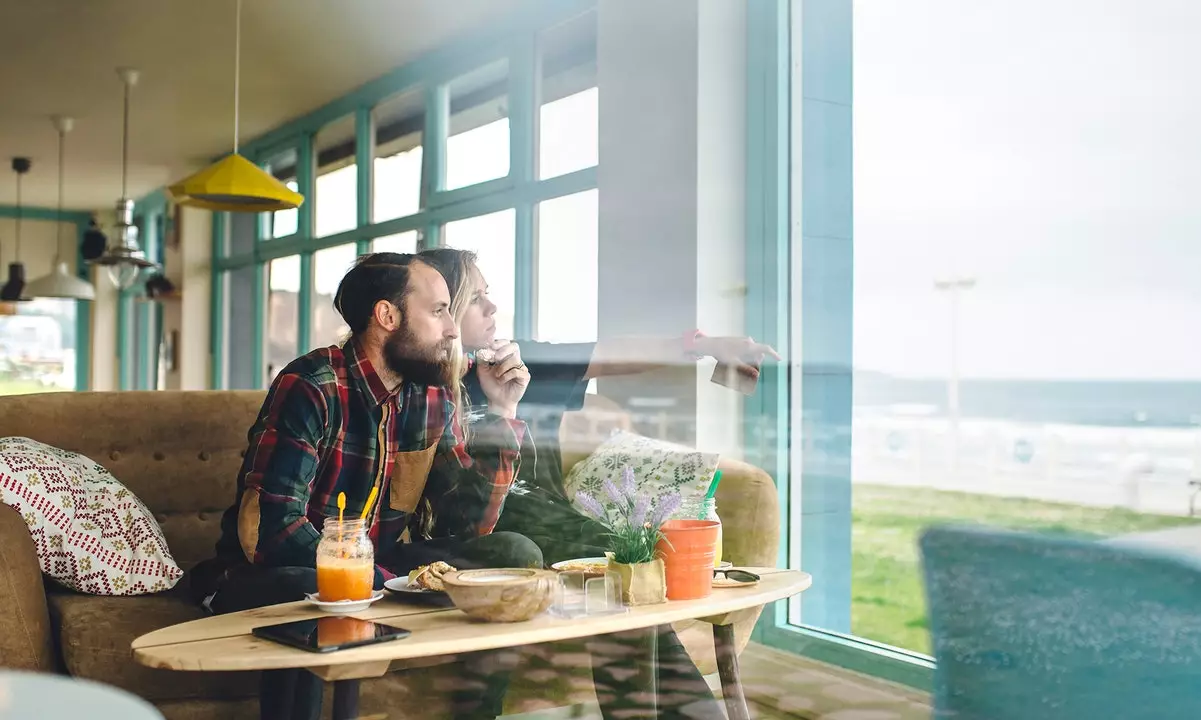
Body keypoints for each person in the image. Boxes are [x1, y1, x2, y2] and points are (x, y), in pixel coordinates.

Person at [419, 247, 778, 719]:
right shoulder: (420, 386)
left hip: (553, 521)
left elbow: (610, 354)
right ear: (436, 311)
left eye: (490, 295)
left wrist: (706, 346)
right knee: (618, 561)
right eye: (475, 299)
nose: (492, 308)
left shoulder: (511, 364)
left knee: (622, 565)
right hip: (487, 538)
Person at [186, 252, 536, 720]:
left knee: (515, 555)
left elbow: (467, 525)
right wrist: (376, 579)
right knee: (316, 590)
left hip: (376, 573)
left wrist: (502, 413)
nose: (453, 329)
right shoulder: (311, 384)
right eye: (438, 312)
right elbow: (271, 529)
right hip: (272, 576)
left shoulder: (431, 395)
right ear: (387, 316)